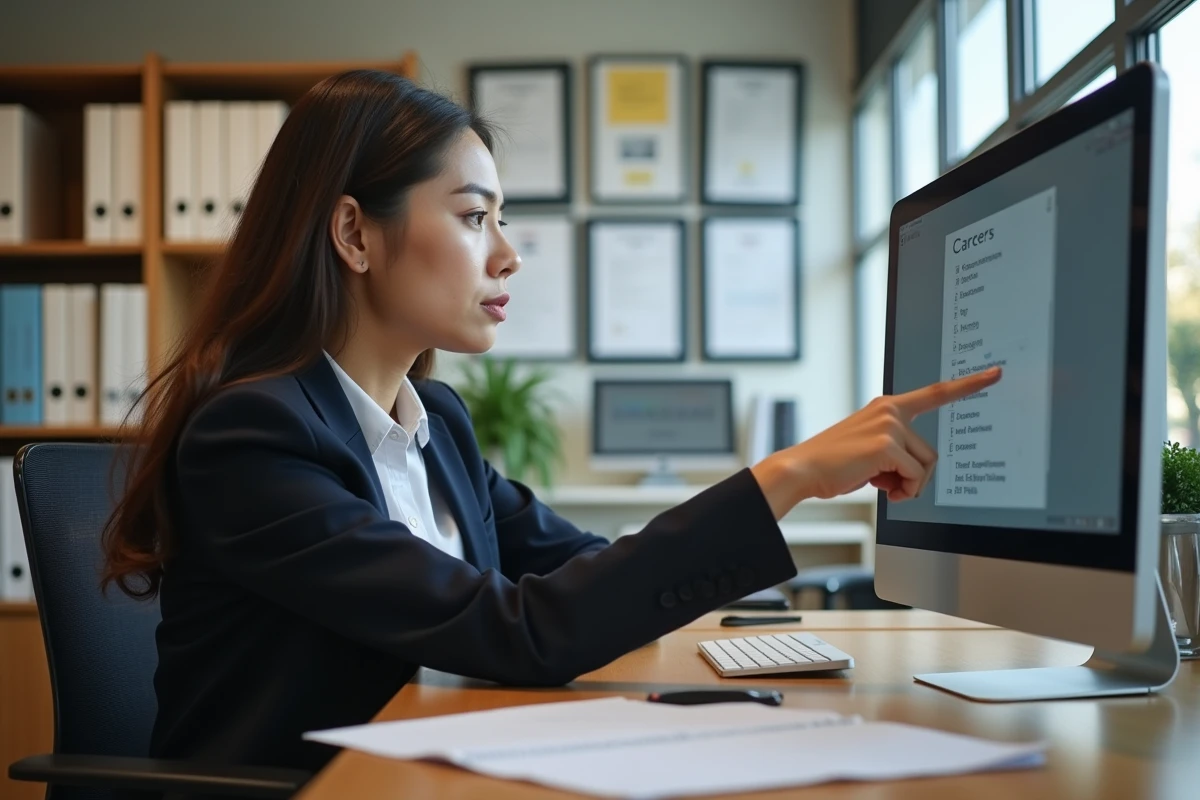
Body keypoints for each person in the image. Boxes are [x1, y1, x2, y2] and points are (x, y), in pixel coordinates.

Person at [100, 70, 1001, 775]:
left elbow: (582, 570)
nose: (508, 253)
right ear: (354, 235)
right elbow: (521, 632)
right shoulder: (252, 438)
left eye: (502, 218)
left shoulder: (436, 423)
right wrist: (788, 478)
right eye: (473, 216)